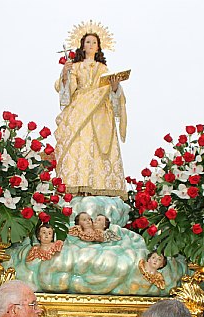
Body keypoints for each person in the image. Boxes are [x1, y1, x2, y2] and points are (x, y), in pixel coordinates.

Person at [54, 27, 127, 198]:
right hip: (79, 110)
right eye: (88, 42)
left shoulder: (103, 69)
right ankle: (77, 184)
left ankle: (98, 185)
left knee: (98, 148)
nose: (92, 45)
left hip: (101, 114)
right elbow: (67, 91)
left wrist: (115, 87)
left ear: (99, 47)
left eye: (95, 42)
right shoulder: (76, 67)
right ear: (83, 46)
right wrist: (65, 74)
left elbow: (111, 92)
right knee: (80, 145)